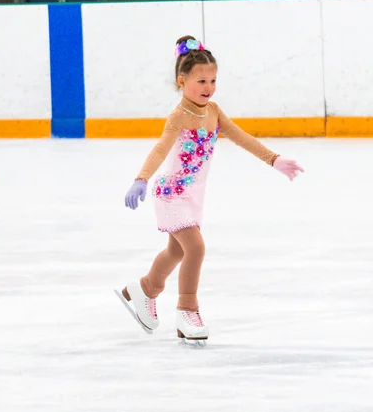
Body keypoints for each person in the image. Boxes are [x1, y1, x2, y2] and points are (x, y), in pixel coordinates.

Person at [120, 35, 304, 341]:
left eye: (213, 80)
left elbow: (242, 138)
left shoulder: (213, 111)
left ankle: (144, 289)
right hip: (171, 193)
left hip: (193, 195)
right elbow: (160, 149)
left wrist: (275, 160)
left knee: (176, 251)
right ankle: (186, 310)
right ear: (182, 81)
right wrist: (141, 178)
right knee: (196, 247)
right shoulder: (179, 116)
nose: (208, 87)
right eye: (201, 80)